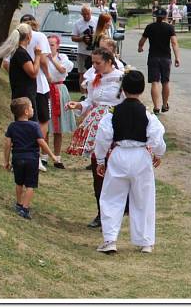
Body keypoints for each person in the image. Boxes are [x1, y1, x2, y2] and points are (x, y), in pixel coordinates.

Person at [94, 70, 167, 253]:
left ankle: (110, 240)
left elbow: (103, 137)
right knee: (143, 198)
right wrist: (158, 154)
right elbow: (157, 136)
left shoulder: (112, 113)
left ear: (123, 90)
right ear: (142, 90)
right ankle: (146, 242)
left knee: (112, 197)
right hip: (141, 155)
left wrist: (101, 160)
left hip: (119, 153)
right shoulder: (148, 114)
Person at [66, 48, 124, 229]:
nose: (94, 66)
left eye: (98, 62)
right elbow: (90, 101)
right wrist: (79, 105)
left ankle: (118, 209)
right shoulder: (94, 79)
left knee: (114, 168)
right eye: (93, 62)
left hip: (115, 124)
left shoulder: (121, 78)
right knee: (98, 168)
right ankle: (101, 212)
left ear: (109, 61)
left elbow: (128, 100)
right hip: (96, 126)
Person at [4, 98, 60, 219]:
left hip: (17, 158)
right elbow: (41, 142)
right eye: (31, 107)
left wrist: (6, 161)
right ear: (26, 112)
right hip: (32, 160)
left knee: (19, 182)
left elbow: (7, 144)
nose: (33, 109)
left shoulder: (12, 127)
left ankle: (19, 204)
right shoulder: (34, 126)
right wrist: (52, 155)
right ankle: (25, 208)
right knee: (30, 185)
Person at [10, 14, 53, 172]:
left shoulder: (15, 48)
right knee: (37, 122)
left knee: (24, 122)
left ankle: (25, 157)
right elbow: (37, 68)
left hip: (23, 90)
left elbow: (6, 65)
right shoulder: (28, 47)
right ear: (28, 34)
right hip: (33, 89)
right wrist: (39, 59)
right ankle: (34, 157)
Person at [138, 8, 181, 116]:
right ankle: (165, 104)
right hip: (166, 58)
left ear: (155, 16)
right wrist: (177, 57)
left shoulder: (150, 27)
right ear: (166, 16)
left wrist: (140, 47)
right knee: (165, 82)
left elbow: (142, 40)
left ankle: (156, 107)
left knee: (154, 82)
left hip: (153, 57)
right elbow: (174, 43)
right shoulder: (169, 27)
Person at [46, 35, 76, 168]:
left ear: (57, 46)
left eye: (52, 44)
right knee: (45, 124)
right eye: (48, 44)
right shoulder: (42, 58)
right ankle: (44, 156)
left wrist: (52, 59)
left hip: (58, 89)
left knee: (58, 127)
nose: (49, 47)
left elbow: (62, 70)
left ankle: (57, 157)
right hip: (46, 90)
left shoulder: (63, 58)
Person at [71, 4, 98, 87]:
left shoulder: (96, 21)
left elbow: (103, 34)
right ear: (81, 14)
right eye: (84, 14)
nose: (86, 16)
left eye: (88, 14)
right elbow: (73, 37)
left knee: (96, 72)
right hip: (82, 52)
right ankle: (83, 94)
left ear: (91, 12)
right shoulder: (77, 23)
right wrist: (82, 38)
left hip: (95, 52)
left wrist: (94, 37)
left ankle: (93, 90)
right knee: (82, 73)